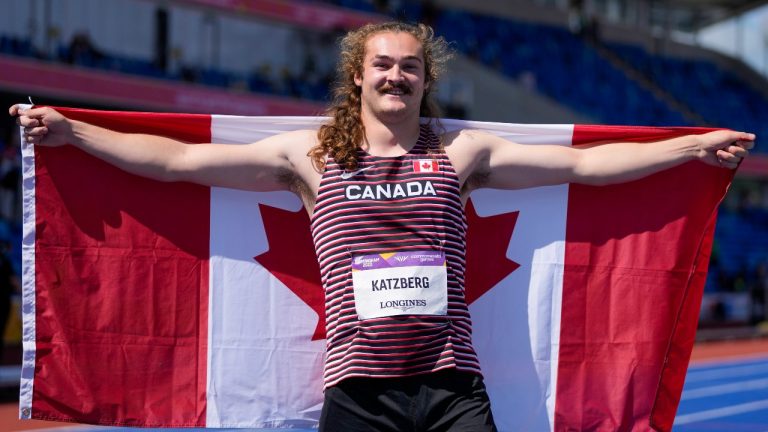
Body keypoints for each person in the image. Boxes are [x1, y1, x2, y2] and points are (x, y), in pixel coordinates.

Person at [9, 22, 754, 432]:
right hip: (359, 396)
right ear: (357, 78)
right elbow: (176, 162)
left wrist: (687, 147)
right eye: (382, 66)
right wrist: (75, 133)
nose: (396, 76)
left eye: (410, 67)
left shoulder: (462, 151)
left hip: (453, 388)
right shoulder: (307, 156)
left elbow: (583, 171)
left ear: (426, 81)